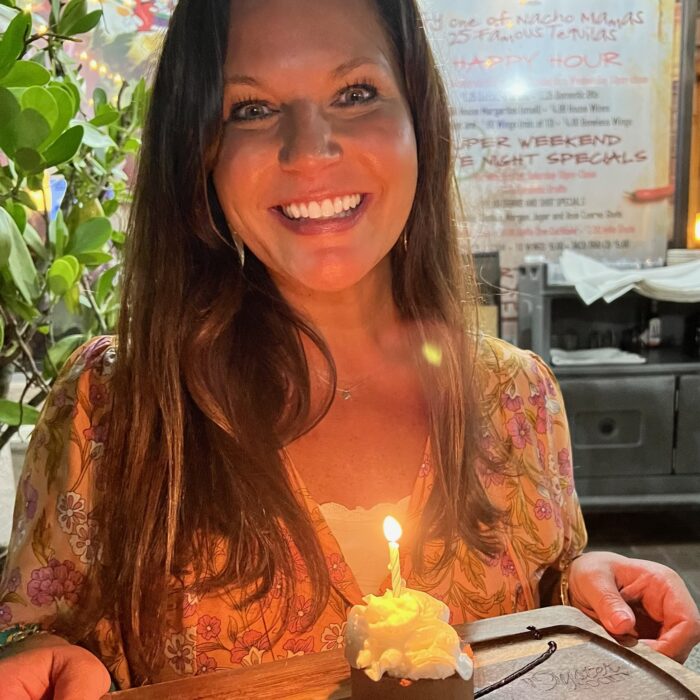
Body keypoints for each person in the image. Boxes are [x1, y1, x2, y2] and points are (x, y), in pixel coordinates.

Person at [1, 0, 699, 696]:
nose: (309, 149)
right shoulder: (112, 407)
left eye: (356, 93)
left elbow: (535, 628)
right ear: (200, 151)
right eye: (251, 108)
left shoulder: (519, 397)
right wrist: (35, 653)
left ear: (418, 120)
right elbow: (36, 633)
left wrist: (581, 594)